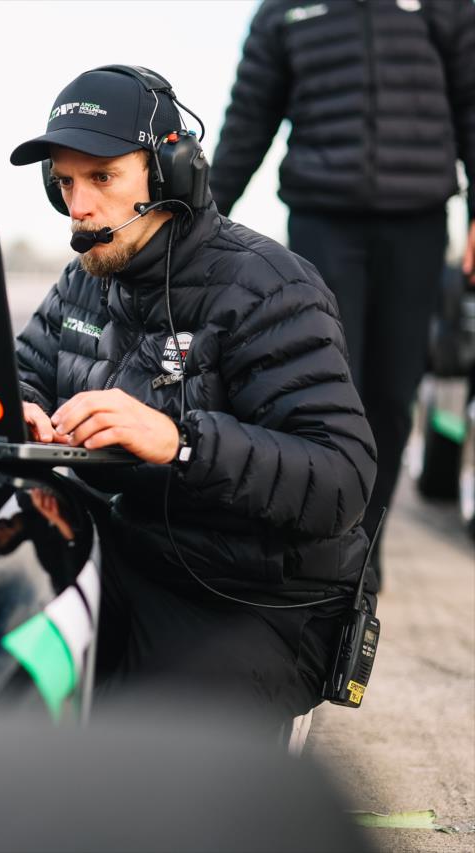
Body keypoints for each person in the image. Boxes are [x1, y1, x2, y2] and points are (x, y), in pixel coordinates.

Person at [8, 65, 378, 727]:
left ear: (170, 174)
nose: (78, 205)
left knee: (141, 764)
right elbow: (23, 371)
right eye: (64, 182)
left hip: (254, 594)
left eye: (102, 177)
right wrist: (20, 407)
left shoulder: (269, 286)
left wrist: (182, 443)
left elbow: (342, 479)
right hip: (129, 550)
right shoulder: (86, 277)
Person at [210, 0, 475, 582]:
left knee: (393, 392)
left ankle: (366, 543)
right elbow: (248, 119)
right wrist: (198, 220)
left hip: (417, 221)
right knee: (324, 385)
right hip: (322, 222)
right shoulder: (283, 11)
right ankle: (327, 544)